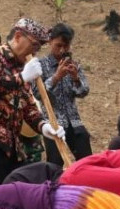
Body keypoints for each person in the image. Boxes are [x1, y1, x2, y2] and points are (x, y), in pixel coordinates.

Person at [0, 18, 65, 189]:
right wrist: (22, 77)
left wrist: (44, 126)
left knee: (15, 189)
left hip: (13, 142)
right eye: (34, 45)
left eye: (38, 49)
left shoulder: (22, 66)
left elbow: (28, 105)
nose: (34, 53)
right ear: (18, 36)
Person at [34, 23, 92, 165]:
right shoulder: (40, 65)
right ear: (49, 42)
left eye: (66, 46)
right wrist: (56, 77)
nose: (62, 50)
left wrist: (76, 78)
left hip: (75, 123)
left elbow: (84, 92)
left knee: (87, 163)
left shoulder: (74, 64)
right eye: (58, 45)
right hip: (53, 125)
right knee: (54, 166)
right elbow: (37, 94)